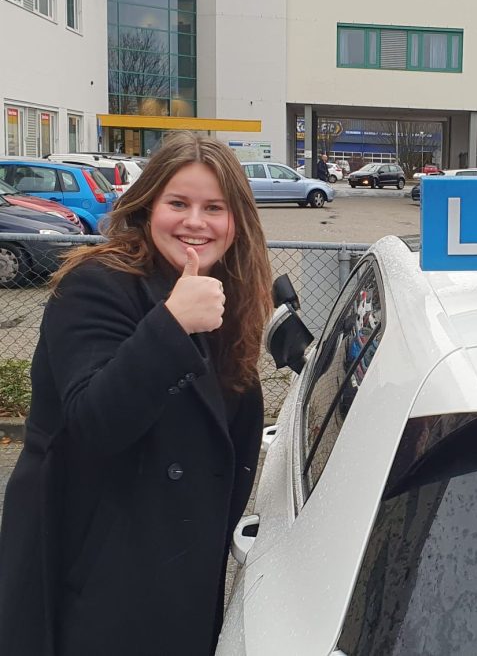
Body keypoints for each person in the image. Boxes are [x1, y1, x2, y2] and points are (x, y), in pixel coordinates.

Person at [0, 133, 273, 655]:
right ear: (148, 208)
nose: (195, 221)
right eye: (178, 203)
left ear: (236, 221)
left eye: (213, 207)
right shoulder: (96, 284)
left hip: (177, 561)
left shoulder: (224, 294)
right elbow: (94, 422)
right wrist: (170, 325)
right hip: (96, 565)